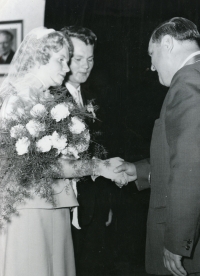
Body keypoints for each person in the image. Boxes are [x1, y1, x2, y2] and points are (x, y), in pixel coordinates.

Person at [0, 26, 126, 276]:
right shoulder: (19, 99)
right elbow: (42, 166)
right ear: (39, 58)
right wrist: (98, 167)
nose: (67, 69)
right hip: (30, 207)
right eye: (61, 60)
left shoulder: (47, 99)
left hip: (57, 204)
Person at [114, 17, 200, 276]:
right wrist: (140, 172)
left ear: (167, 43)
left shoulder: (187, 84)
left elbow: (191, 167)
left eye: (152, 55)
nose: (151, 66)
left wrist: (177, 242)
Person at [60, 25, 114, 276]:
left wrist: (106, 204)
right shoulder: (50, 100)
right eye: (78, 59)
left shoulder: (92, 94)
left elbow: (100, 150)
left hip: (93, 208)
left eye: (90, 59)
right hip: (63, 210)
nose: (85, 66)